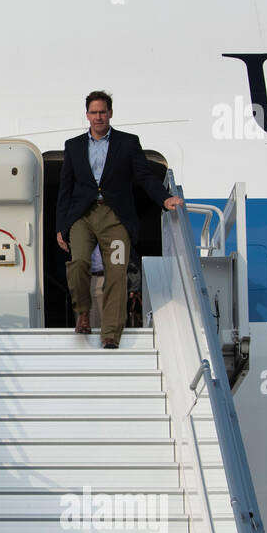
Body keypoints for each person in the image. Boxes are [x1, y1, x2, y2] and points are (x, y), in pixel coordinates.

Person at [56, 90, 183, 348]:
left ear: (110, 113)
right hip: (83, 216)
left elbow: (145, 177)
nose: (98, 117)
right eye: (94, 112)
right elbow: (65, 189)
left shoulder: (128, 143)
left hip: (115, 217)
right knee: (78, 261)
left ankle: (111, 333)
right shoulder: (73, 146)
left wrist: (164, 198)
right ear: (87, 115)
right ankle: (82, 312)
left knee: (116, 271)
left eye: (103, 112)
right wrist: (61, 226)